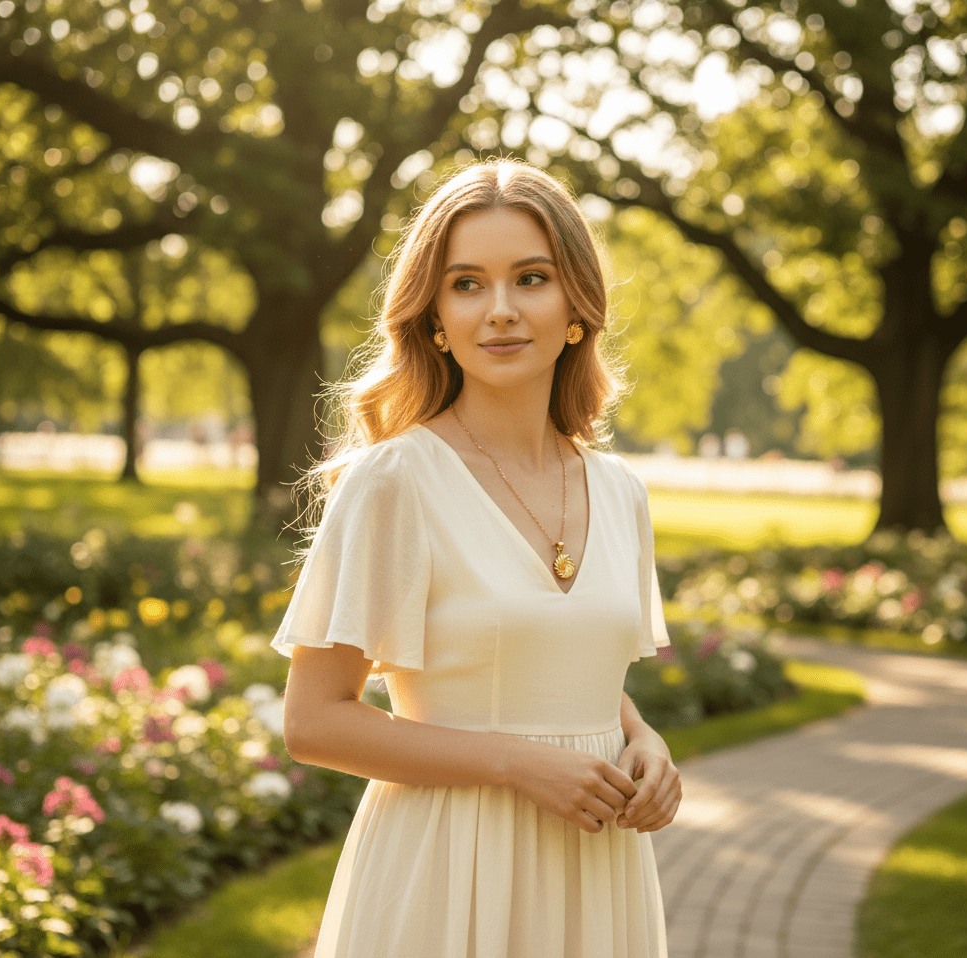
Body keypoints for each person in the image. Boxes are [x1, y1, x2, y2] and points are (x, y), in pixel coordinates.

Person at [272, 159, 680, 958]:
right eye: (467, 285)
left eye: (530, 278)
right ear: (433, 320)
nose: (500, 311)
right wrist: (514, 764)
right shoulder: (396, 482)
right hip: (447, 872)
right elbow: (313, 721)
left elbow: (570, 669)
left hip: (597, 871)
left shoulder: (621, 490)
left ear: (575, 308)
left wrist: (645, 743)